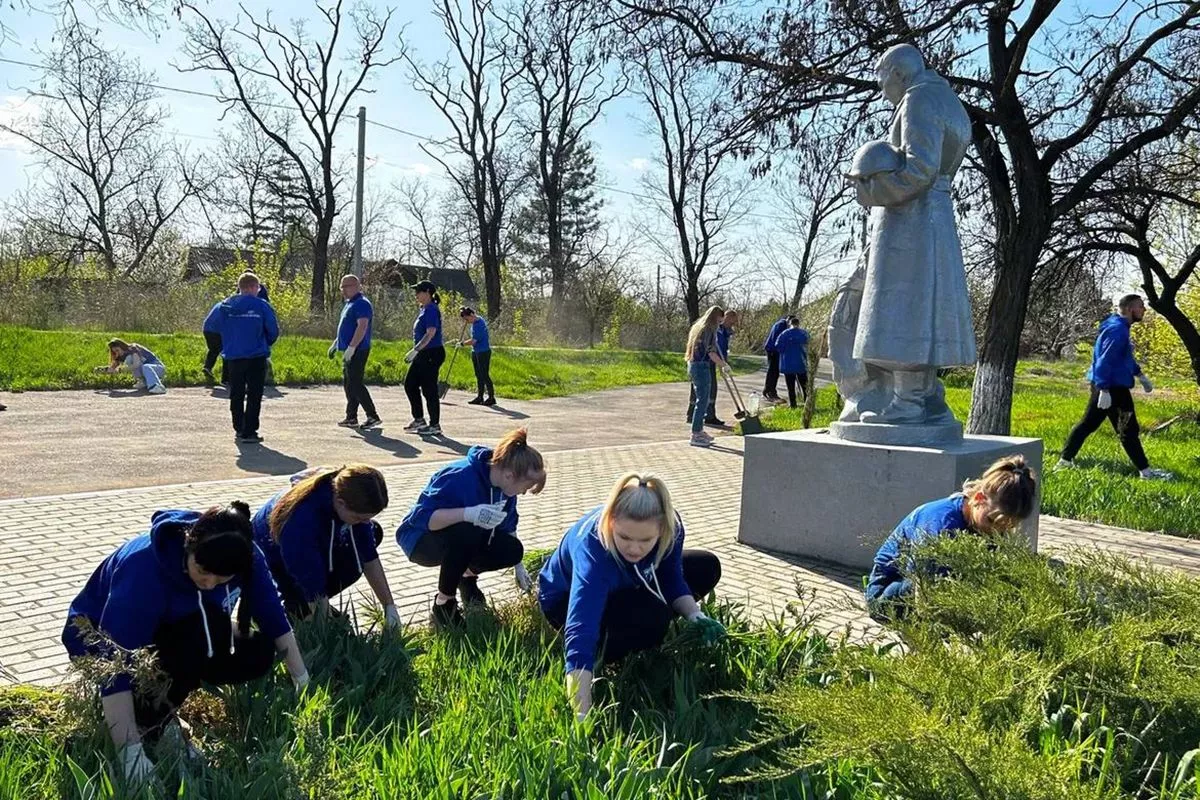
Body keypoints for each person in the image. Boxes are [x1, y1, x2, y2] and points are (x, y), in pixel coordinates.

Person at [62, 503, 308, 783]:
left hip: (181, 631)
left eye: (222, 579)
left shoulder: (245, 557)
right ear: (189, 546)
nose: (209, 583)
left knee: (255, 652)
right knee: (193, 641)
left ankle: (159, 712)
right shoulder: (142, 570)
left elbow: (273, 617)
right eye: (203, 571)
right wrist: (129, 753)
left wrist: (302, 679)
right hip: (99, 637)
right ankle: (150, 722)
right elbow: (116, 663)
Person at [537, 473, 724, 720]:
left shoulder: (672, 528)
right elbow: (581, 627)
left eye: (646, 540)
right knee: (654, 617)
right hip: (563, 600)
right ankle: (617, 645)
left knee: (705, 566)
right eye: (624, 537)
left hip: (625, 583)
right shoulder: (593, 552)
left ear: (662, 529)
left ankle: (639, 625)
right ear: (611, 523)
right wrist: (581, 712)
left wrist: (695, 616)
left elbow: (671, 578)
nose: (634, 549)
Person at [396, 428, 547, 628]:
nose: (524, 493)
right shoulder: (459, 476)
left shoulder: (506, 490)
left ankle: (466, 578)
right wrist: (468, 513)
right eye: (525, 487)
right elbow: (422, 519)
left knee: (512, 549)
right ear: (509, 475)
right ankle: (444, 603)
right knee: (468, 530)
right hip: (421, 541)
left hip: (461, 541)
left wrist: (518, 566)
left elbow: (508, 526)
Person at [864, 455, 1039, 617]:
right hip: (888, 591)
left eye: (1007, 527)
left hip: (940, 585)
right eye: (992, 521)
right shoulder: (940, 524)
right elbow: (923, 593)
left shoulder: (985, 524)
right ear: (979, 498)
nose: (996, 531)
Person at [252, 465, 399, 626]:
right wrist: (327, 629)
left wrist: (389, 606)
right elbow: (309, 575)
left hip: (304, 548)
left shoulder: (346, 495)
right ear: (341, 503)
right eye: (359, 518)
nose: (365, 523)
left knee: (373, 533)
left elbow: (369, 555)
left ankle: (314, 607)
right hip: (272, 563)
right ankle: (296, 607)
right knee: (304, 610)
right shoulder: (302, 520)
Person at [1057, 294, 1172, 480]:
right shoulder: (1117, 330)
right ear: (1130, 309)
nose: (1144, 309)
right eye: (1141, 306)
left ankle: (1064, 462)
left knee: (1088, 424)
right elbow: (1104, 361)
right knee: (1128, 429)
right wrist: (1104, 389)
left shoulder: (1119, 327)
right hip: (1112, 387)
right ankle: (1146, 473)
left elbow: (1123, 358)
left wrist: (1140, 374)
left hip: (1109, 385)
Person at [215, 272, 278, 443]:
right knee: (254, 393)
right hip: (256, 354)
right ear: (253, 287)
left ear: (240, 287)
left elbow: (213, 326)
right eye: (258, 287)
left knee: (236, 392)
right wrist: (266, 342)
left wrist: (227, 342)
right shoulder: (262, 305)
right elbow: (273, 330)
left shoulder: (224, 305)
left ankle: (238, 426)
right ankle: (249, 431)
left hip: (234, 355)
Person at [329, 275, 381, 430]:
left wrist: (352, 347)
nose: (344, 290)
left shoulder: (362, 303)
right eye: (342, 287)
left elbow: (362, 326)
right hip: (348, 349)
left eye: (347, 286)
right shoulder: (349, 304)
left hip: (358, 349)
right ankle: (351, 416)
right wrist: (336, 343)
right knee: (349, 383)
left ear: (357, 286)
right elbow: (346, 327)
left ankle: (372, 415)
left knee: (356, 383)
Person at [404, 280, 446, 437]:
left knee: (429, 389)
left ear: (428, 292)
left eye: (418, 291)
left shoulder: (431, 310)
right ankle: (419, 419)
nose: (416, 295)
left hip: (431, 353)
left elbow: (431, 333)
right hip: (423, 353)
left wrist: (416, 349)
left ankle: (434, 424)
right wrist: (418, 351)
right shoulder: (424, 309)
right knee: (410, 384)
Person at [685, 305, 731, 448]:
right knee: (703, 400)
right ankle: (696, 433)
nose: (719, 325)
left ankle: (699, 430)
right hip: (701, 366)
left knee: (702, 399)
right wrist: (723, 364)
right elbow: (711, 352)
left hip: (693, 364)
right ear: (715, 318)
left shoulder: (697, 327)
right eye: (719, 321)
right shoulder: (709, 330)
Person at [94, 338, 167, 395]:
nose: (117, 353)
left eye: (117, 350)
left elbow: (136, 364)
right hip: (146, 370)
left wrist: (120, 370)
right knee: (140, 365)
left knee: (141, 365)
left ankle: (157, 386)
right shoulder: (120, 355)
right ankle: (144, 381)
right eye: (114, 352)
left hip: (157, 368)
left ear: (121, 346)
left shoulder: (133, 348)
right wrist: (102, 369)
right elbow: (112, 368)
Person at [459, 306, 495, 406]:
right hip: (476, 351)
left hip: (483, 352)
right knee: (478, 375)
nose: (467, 322)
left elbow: (474, 341)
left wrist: (462, 344)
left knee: (484, 374)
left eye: (467, 319)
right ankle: (480, 397)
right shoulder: (475, 322)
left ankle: (491, 397)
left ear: (472, 315)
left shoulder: (479, 324)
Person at [776, 317, 810, 408]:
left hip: (788, 364)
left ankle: (793, 404)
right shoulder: (804, 333)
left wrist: (785, 350)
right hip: (801, 363)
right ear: (798, 324)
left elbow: (778, 346)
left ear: (790, 324)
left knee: (790, 387)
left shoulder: (784, 334)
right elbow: (809, 345)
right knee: (805, 386)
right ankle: (807, 404)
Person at [762, 315, 789, 402]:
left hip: (773, 349)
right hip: (773, 350)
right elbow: (778, 339)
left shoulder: (781, 324)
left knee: (774, 371)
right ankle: (770, 392)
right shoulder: (781, 325)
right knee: (773, 371)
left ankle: (768, 390)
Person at [202, 300, 225, 386]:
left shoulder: (221, 303)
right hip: (217, 330)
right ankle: (226, 378)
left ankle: (207, 367)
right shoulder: (231, 307)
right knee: (226, 352)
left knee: (213, 350)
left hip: (207, 328)